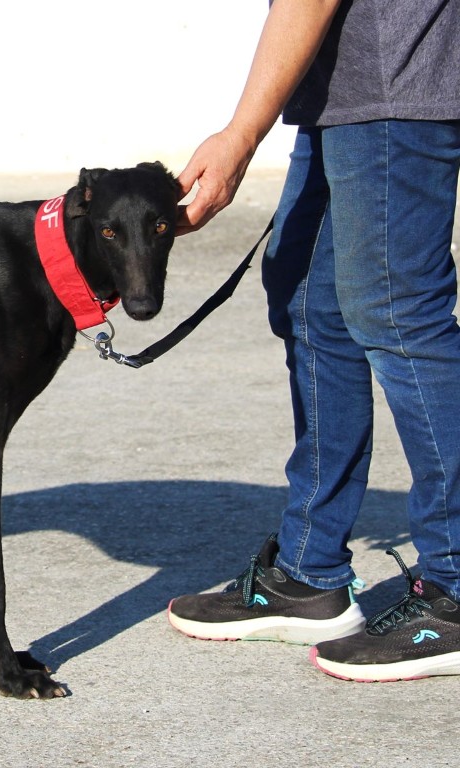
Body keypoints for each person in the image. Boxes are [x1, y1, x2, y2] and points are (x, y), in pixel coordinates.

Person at [166, 0, 460, 681]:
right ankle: (308, 574)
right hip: (343, 91)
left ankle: (454, 591)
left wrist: (240, 135)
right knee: (311, 305)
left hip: (396, 82)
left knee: (400, 315)